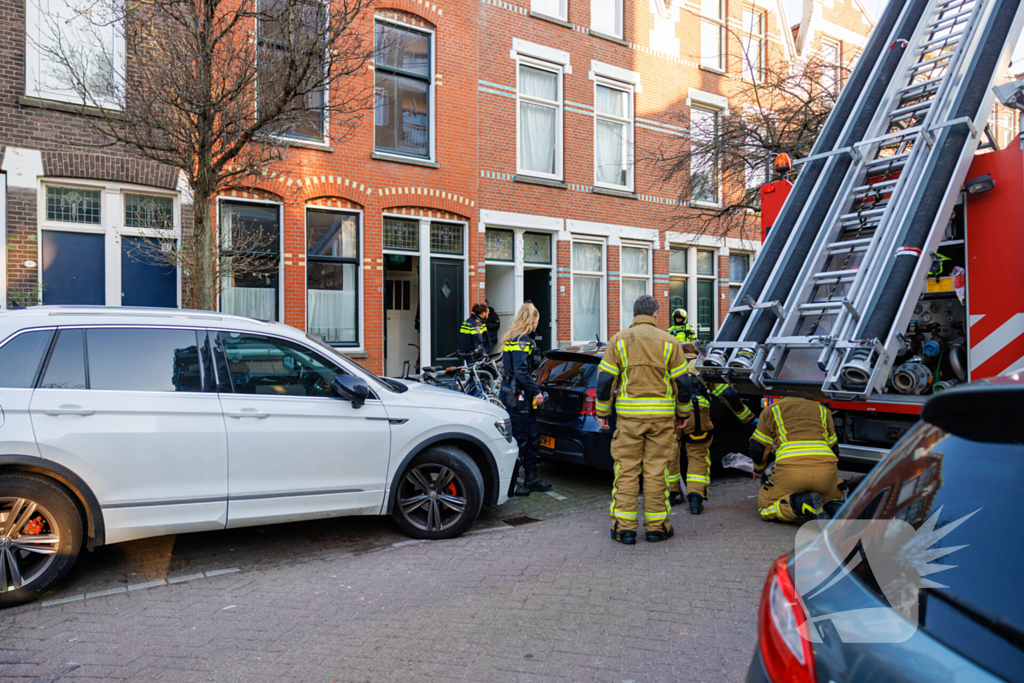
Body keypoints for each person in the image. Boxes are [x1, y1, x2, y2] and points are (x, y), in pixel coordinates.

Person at [596, 295, 692, 545]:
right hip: (661, 421)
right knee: (657, 472)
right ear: (656, 314)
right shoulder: (671, 342)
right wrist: (683, 414)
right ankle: (657, 528)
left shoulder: (618, 341)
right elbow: (683, 383)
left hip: (629, 420)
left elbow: (605, 381)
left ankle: (623, 530)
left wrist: (603, 413)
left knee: (626, 472)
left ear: (634, 314)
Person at [750, 397, 845, 522]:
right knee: (829, 497)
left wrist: (759, 469)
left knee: (766, 506)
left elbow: (758, 448)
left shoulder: (772, 411)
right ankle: (834, 507)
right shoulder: (823, 411)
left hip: (791, 474)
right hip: (825, 475)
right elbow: (834, 449)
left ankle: (799, 504)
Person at [499, 303, 553, 496]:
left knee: (532, 438)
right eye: (537, 320)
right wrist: (536, 392)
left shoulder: (514, 339)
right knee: (520, 440)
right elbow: (521, 371)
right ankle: (512, 484)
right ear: (532, 320)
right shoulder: (523, 341)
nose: (537, 323)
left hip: (517, 395)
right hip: (518, 397)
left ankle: (531, 478)